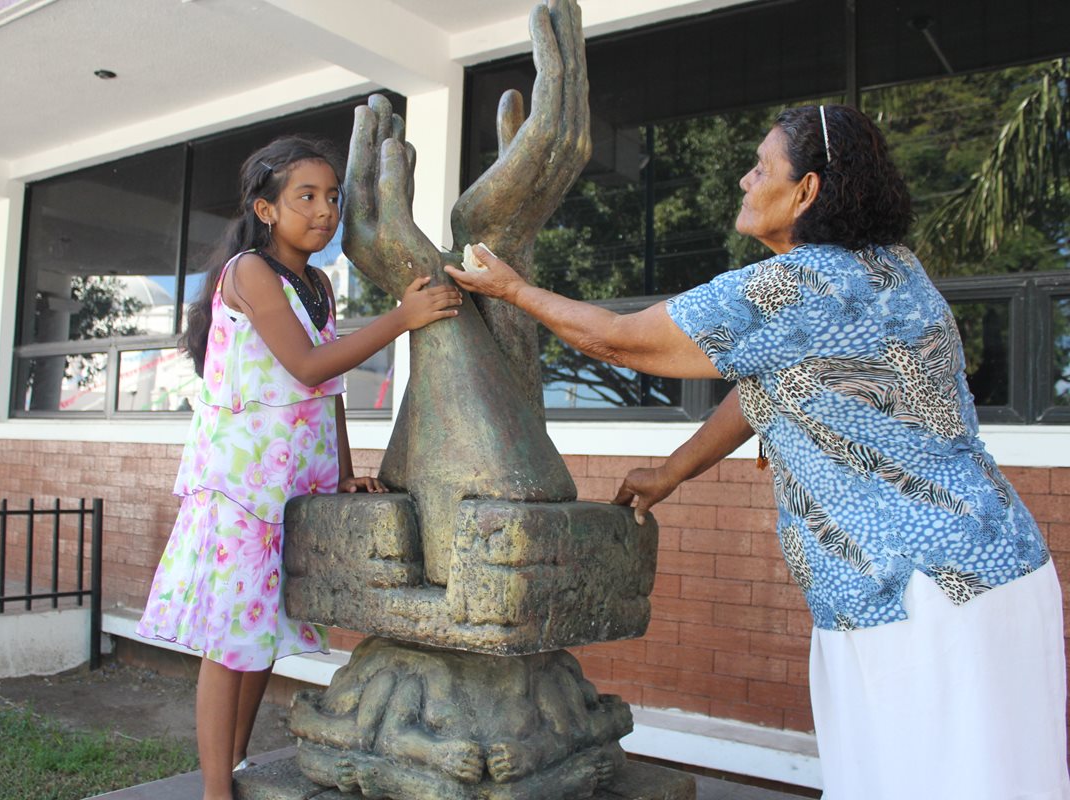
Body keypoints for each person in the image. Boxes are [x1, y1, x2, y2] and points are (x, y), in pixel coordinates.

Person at [446, 105, 1069, 799]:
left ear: (805, 193)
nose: (744, 180)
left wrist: (511, 288)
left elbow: (621, 340)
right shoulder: (890, 266)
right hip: (995, 568)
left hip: (919, 593)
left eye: (761, 167)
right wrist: (672, 472)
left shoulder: (794, 286)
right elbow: (767, 387)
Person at [137, 135, 460, 800]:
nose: (324, 210)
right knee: (230, 643)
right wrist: (404, 316)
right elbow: (307, 365)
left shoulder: (315, 284)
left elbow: (327, 391)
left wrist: (344, 471)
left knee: (261, 637)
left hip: (296, 485)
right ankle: (213, 790)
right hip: (244, 488)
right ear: (265, 209)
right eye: (305, 197)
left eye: (332, 197)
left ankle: (235, 767)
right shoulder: (251, 273)